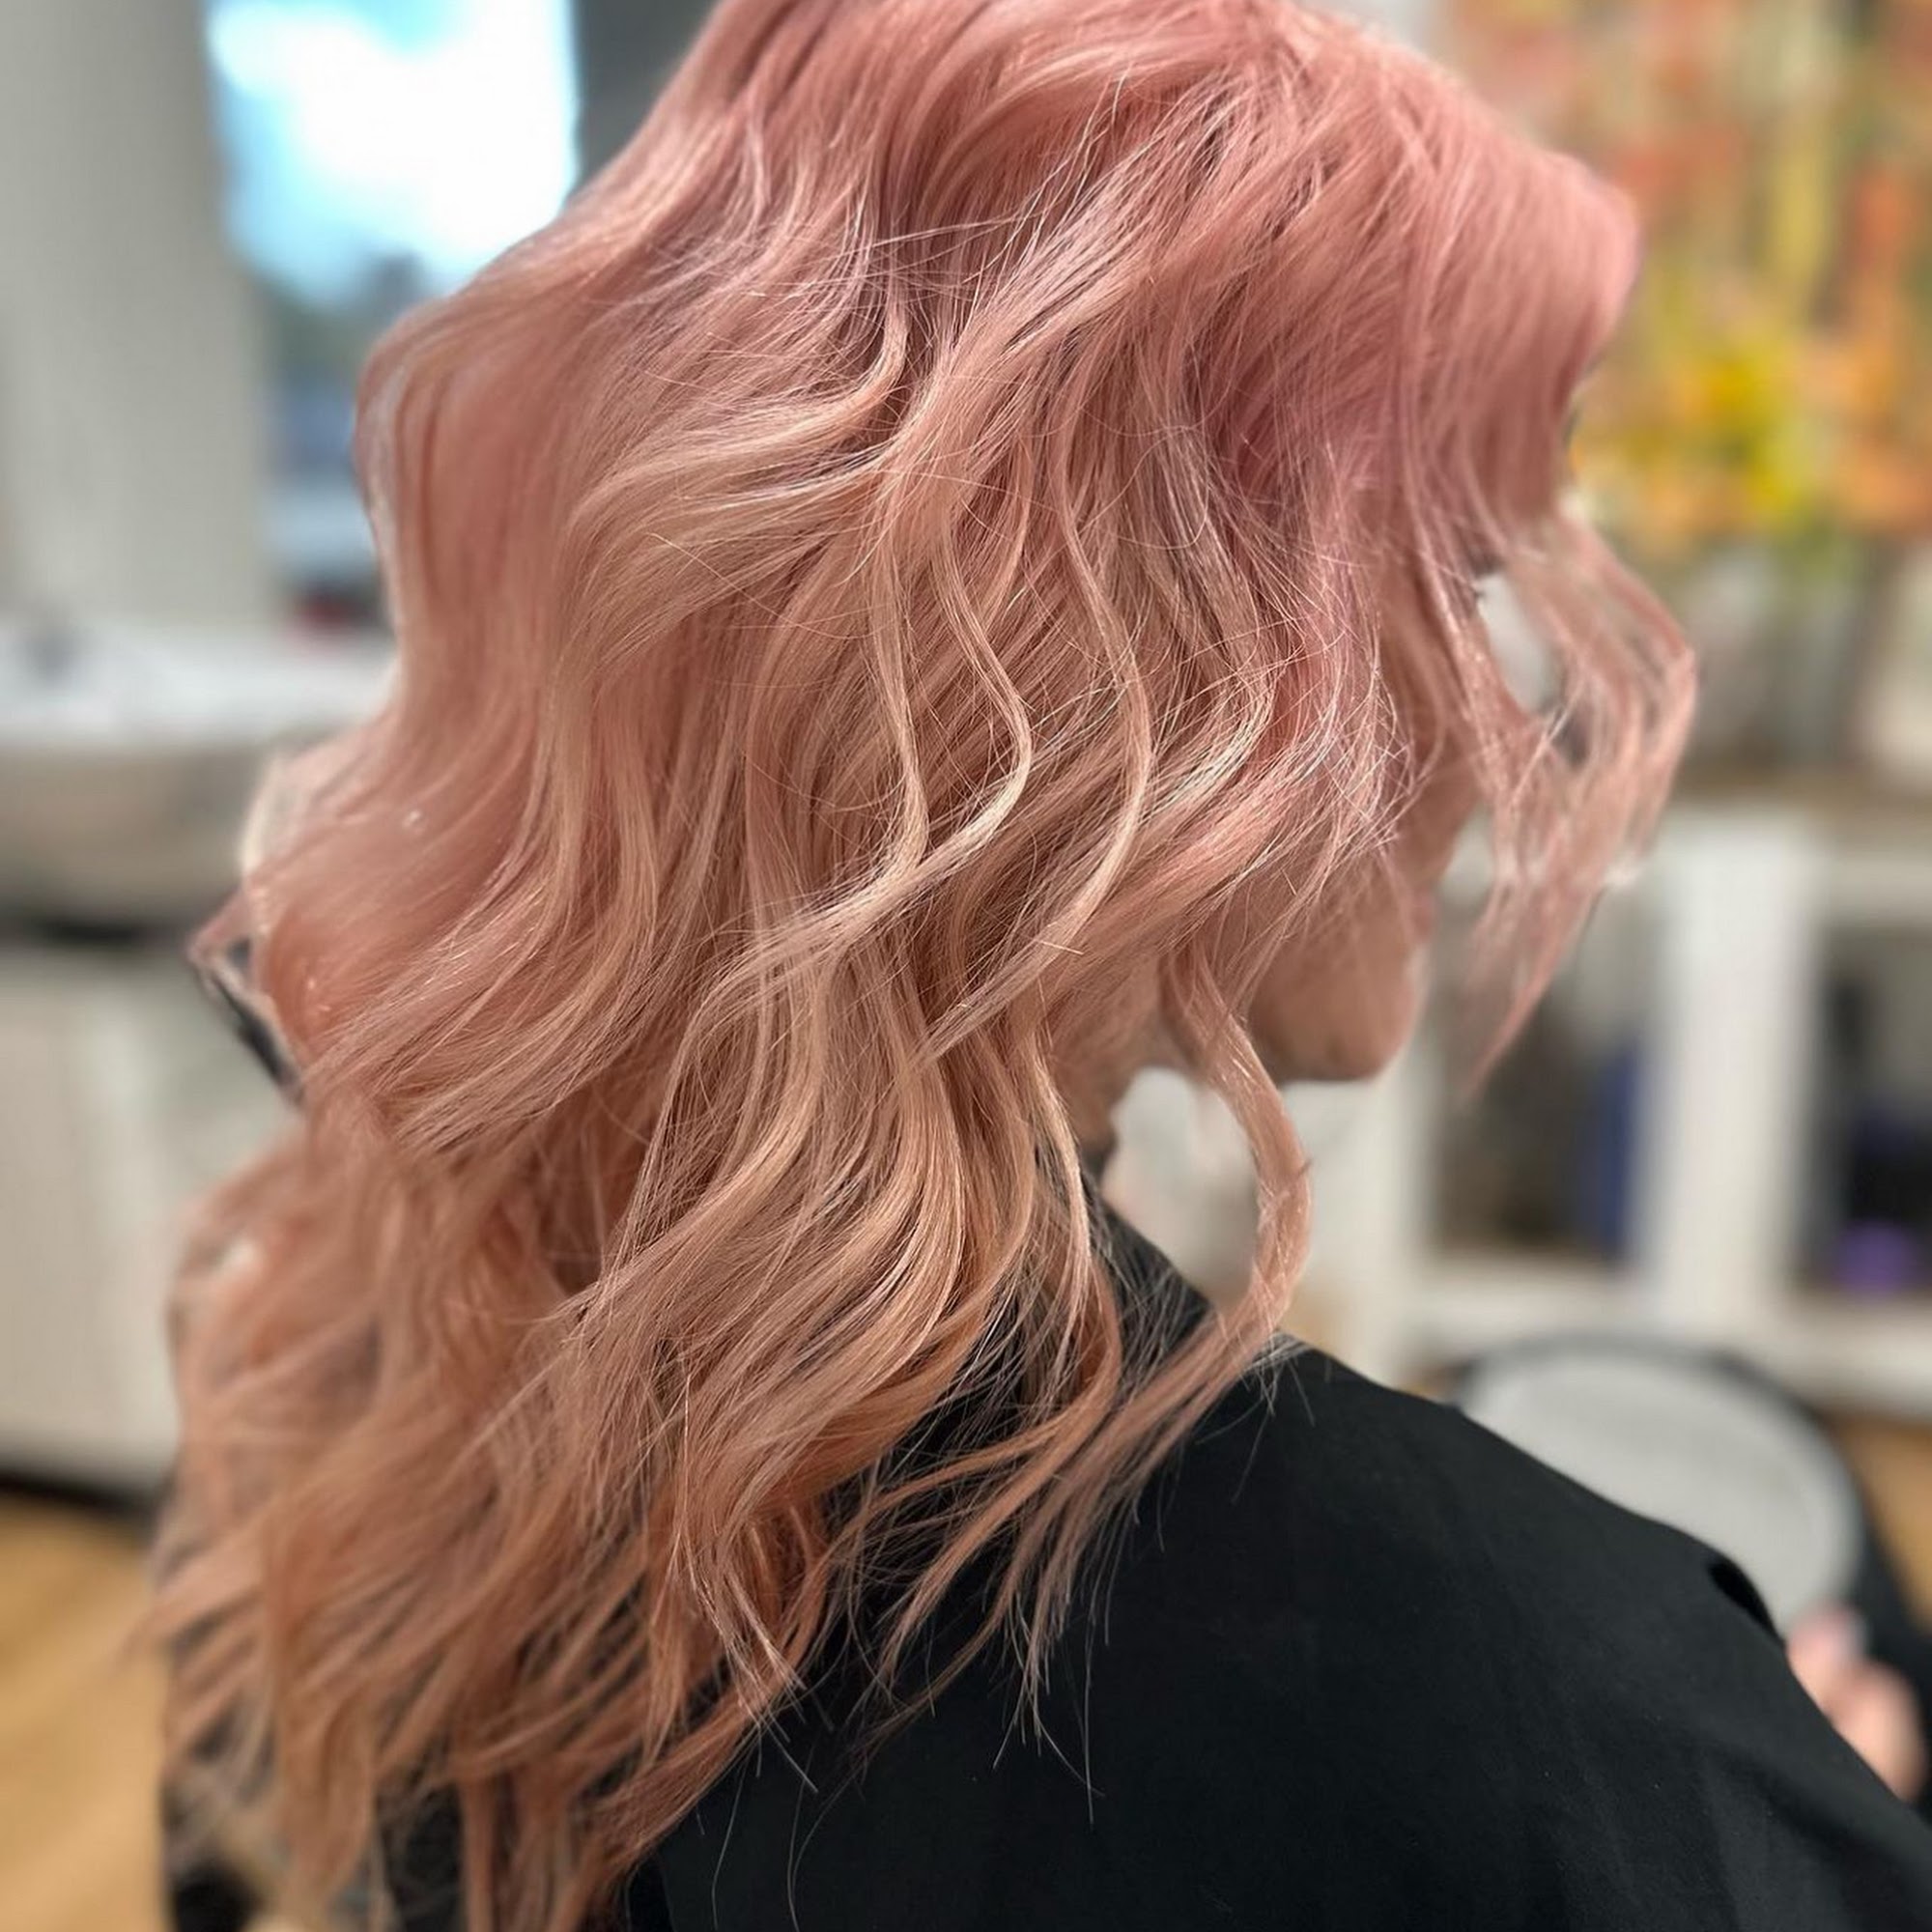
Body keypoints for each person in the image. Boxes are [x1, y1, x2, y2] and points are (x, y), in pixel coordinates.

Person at [150, 0, 1932, 1926]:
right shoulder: (1562, 1711)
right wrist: (1755, 1832)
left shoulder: (360, 1344)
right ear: (1119, 667)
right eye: (1455, 583)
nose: (1497, 738)